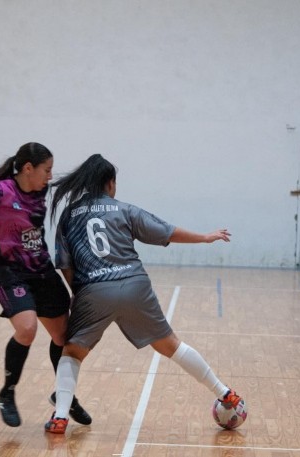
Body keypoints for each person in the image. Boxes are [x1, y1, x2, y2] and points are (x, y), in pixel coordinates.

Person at [44, 154, 243, 434]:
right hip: (134, 283)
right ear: (110, 183)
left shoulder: (68, 216)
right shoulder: (124, 209)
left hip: (93, 289)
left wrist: (82, 294)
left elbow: (65, 265)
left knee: (72, 353)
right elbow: (167, 232)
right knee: (170, 345)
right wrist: (205, 236)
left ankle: (60, 417)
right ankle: (225, 393)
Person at [0, 142, 90, 428]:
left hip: (42, 272)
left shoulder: (41, 189)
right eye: (46, 170)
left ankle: (63, 396)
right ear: (28, 168)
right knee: (27, 329)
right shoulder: (1, 191)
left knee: (65, 340)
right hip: (11, 273)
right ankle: (7, 392)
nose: (50, 176)